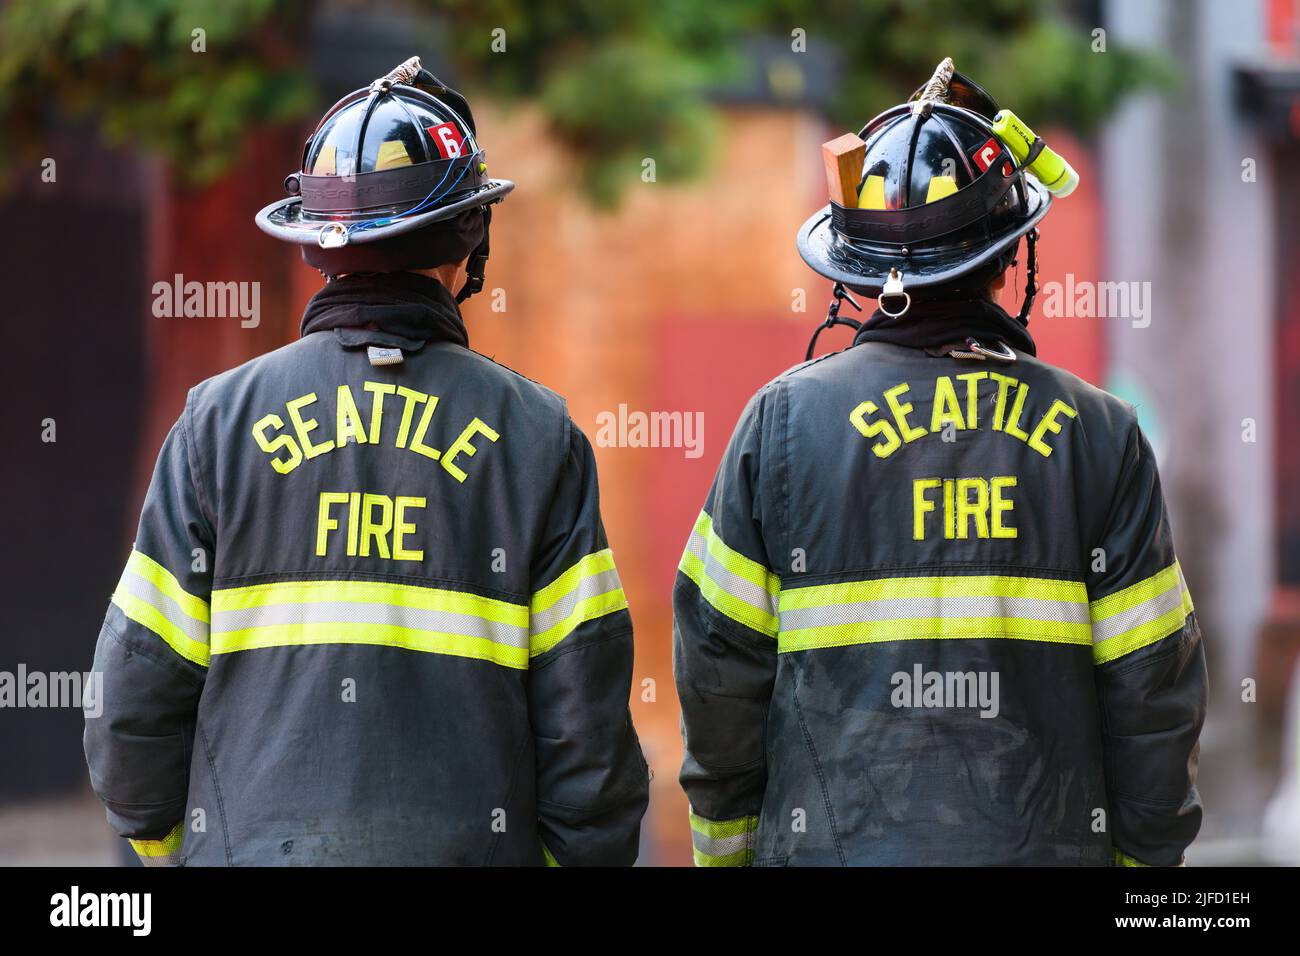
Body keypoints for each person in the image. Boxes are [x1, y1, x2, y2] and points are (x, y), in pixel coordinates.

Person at [84, 57, 648, 866]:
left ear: (315, 240)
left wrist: (181, 847)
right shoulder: (537, 437)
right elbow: (587, 734)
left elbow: (131, 704)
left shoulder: (217, 422)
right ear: (468, 236)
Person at [673, 59, 1206, 866]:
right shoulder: (1100, 434)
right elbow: (1154, 694)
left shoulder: (778, 426)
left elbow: (719, 674)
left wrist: (728, 850)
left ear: (852, 270)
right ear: (1006, 256)